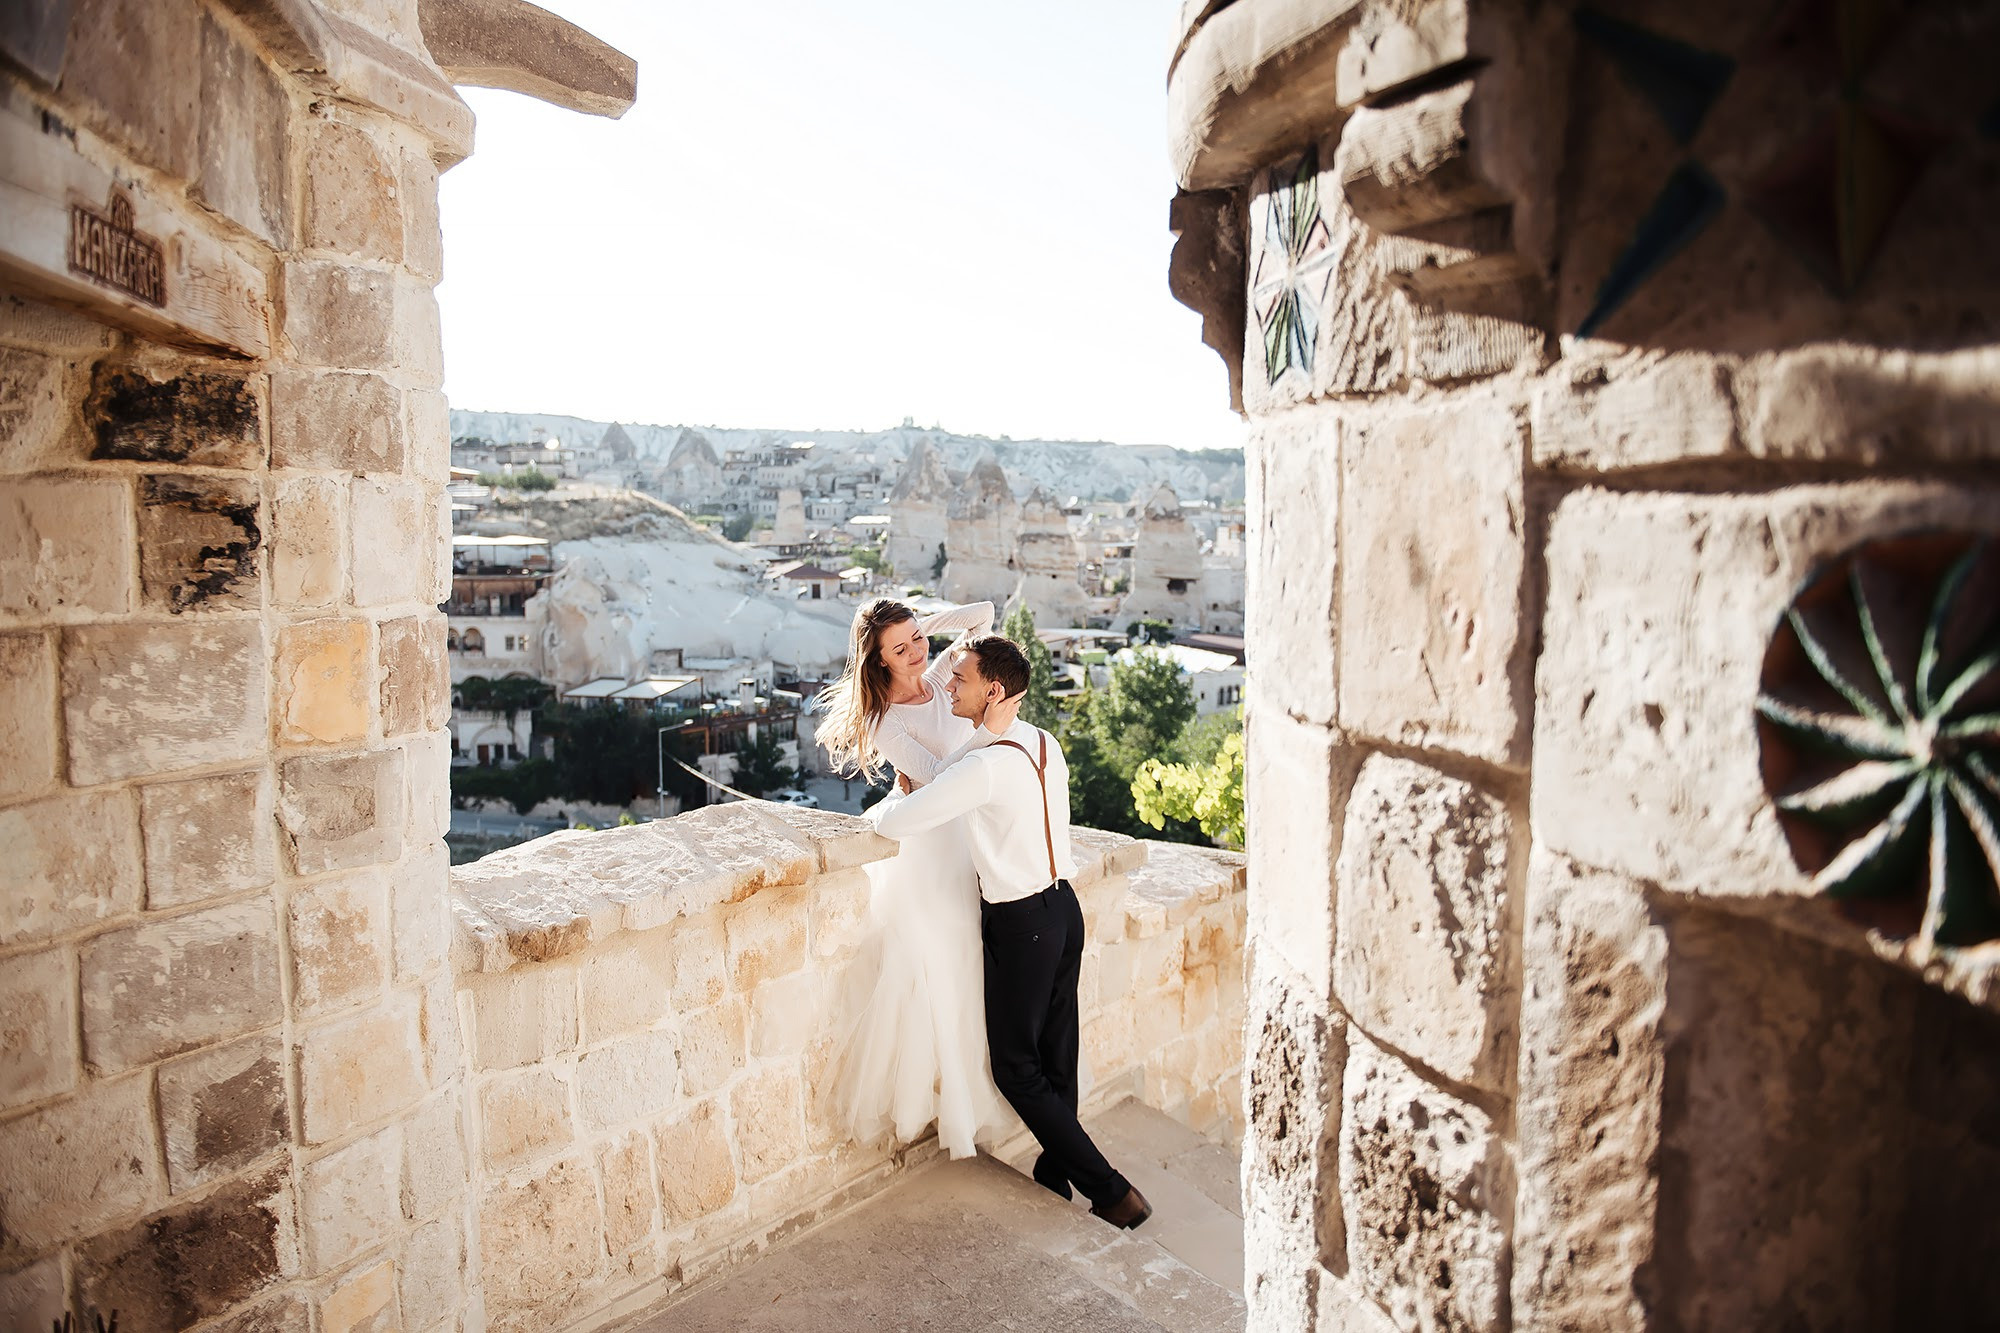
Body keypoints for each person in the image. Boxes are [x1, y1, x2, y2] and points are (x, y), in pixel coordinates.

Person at [869, 634, 1152, 1229]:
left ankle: (1112, 1192)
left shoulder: (984, 768)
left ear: (993, 690)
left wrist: (894, 798)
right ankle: (1057, 1173)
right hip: (1063, 909)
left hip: (1022, 924)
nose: (948, 686)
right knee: (1057, 1055)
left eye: (961, 679)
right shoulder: (1042, 742)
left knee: (1016, 1069)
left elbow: (899, 823)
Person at [816, 598, 1019, 1159]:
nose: (915, 653)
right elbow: (934, 778)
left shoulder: (937, 673)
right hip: (930, 847)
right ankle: (949, 1106)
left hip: (968, 835)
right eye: (899, 649)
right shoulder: (885, 720)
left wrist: (917, 627)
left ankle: (978, 1090)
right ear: (877, 660)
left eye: (917, 641)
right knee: (943, 966)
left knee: (973, 962)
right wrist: (990, 734)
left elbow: (983, 615)